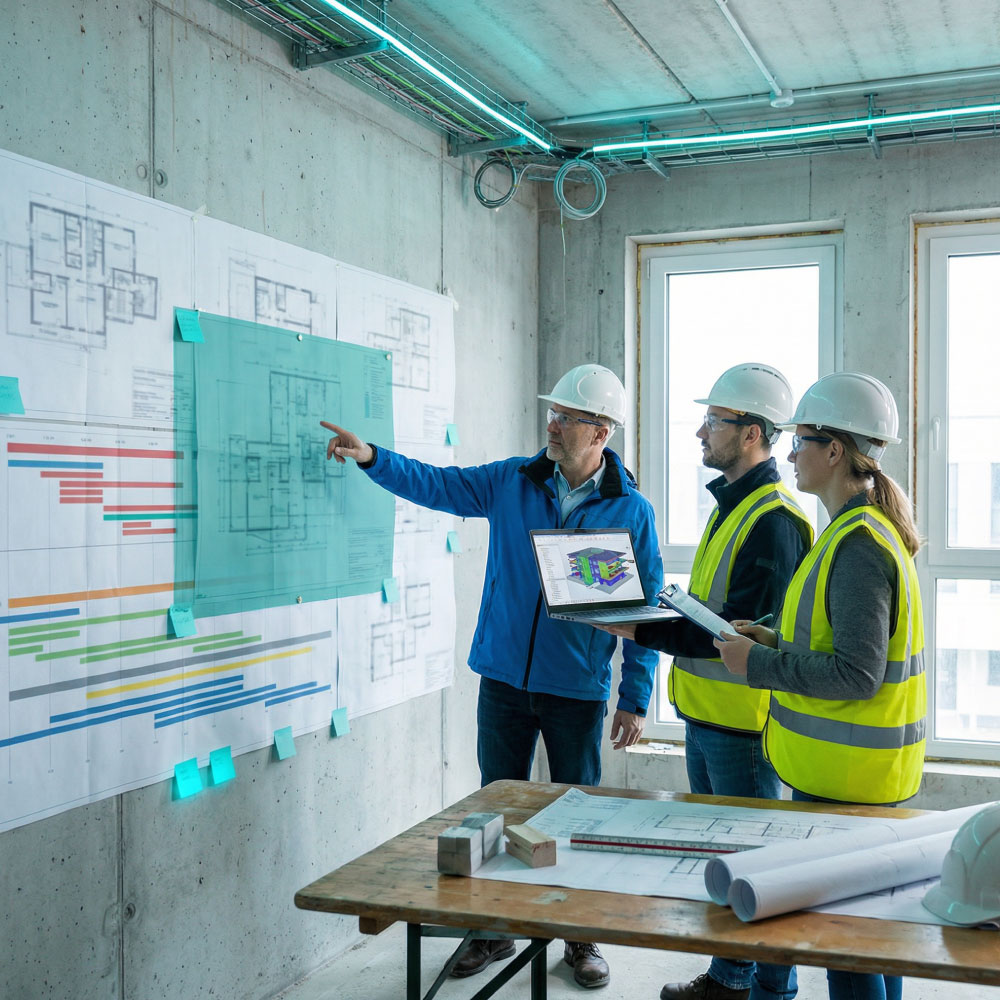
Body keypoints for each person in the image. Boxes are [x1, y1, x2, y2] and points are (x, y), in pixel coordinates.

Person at [321, 363, 663, 990]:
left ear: (602, 431)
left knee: (575, 815)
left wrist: (634, 698)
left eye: (567, 417)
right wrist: (374, 457)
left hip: (576, 691)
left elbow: (646, 613)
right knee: (495, 810)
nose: (552, 425)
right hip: (504, 680)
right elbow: (439, 485)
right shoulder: (513, 481)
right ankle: (492, 930)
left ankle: (579, 936)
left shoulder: (631, 511)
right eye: (552, 412)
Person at [596, 363, 812, 1000]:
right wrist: (662, 610)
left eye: (713, 422)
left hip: (743, 728)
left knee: (760, 868)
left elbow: (742, 636)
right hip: (708, 715)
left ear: (750, 434)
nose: (700, 432)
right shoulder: (735, 504)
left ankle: (771, 990)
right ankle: (729, 977)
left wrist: (638, 630)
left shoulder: (776, 520)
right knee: (728, 867)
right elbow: (718, 611)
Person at [714, 372, 926, 1000]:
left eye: (801, 440)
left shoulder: (859, 544)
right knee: (870, 942)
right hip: (854, 778)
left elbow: (857, 675)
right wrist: (773, 640)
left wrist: (757, 666)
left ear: (835, 450)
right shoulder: (852, 529)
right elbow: (839, 643)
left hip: (846, 784)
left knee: (848, 954)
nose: (789, 453)